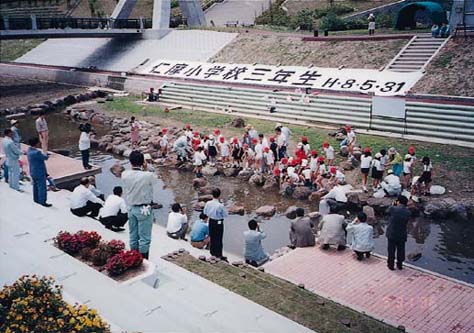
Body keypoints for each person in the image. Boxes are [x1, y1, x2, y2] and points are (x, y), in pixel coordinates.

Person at [122, 150, 156, 260]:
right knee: (144, 238)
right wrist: (146, 168)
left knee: (133, 235)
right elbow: (154, 179)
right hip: (144, 209)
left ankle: (133, 257)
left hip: (131, 208)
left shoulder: (125, 174)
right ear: (143, 162)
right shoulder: (147, 175)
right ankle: (143, 260)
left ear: (130, 162)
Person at [203, 188, 228, 260]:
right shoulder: (220, 205)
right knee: (219, 238)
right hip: (218, 222)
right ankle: (219, 254)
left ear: (212, 195)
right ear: (219, 195)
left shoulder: (208, 203)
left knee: (212, 237)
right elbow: (226, 215)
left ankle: (212, 252)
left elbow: (205, 212)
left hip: (211, 221)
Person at [386, 195, 410, 270]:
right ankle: (400, 265)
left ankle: (391, 265)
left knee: (391, 250)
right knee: (401, 250)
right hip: (402, 233)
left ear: (398, 201)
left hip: (392, 233)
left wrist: (392, 205)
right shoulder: (408, 212)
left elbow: (386, 212)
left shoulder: (393, 208)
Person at [26, 137, 51, 207]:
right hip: (40, 172)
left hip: (33, 171)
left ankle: (36, 199)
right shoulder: (37, 152)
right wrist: (46, 154)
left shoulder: (29, 150)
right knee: (42, 187)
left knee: (35, 186)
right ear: (36, 143)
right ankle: (42, 201)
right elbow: (45, 158)